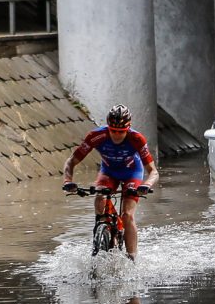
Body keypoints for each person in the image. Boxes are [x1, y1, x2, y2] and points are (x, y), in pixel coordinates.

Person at [62, 104, 159, 260]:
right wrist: (68, 181)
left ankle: (132, 259)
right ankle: (105, 230)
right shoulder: (96, 136)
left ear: (128, 128)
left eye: (121, 132)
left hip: (132, 172)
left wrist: (146, 185)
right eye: (113, 130)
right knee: (99, 197)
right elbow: (71, 161)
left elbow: (153, 171)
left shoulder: (137, 139)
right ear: (108, 126)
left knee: (127, 214)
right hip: (108, 172)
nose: (116, 135)